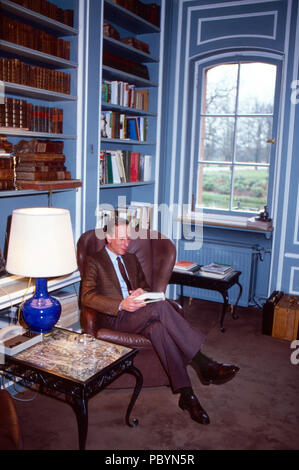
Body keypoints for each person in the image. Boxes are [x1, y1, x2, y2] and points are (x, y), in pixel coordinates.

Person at [81, 218, 239, 425]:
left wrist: (141, 292)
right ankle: (203, 362)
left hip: (141, 314)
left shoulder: (131, 259)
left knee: (158, 330)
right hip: (116, 319)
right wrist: (121, 303)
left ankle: (187, 395)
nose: (126, 243)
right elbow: (86, 296)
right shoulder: (95, 260)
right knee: (163, 307)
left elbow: (146, 287)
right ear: (108, 236)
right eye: (121, 238)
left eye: (128, 237)